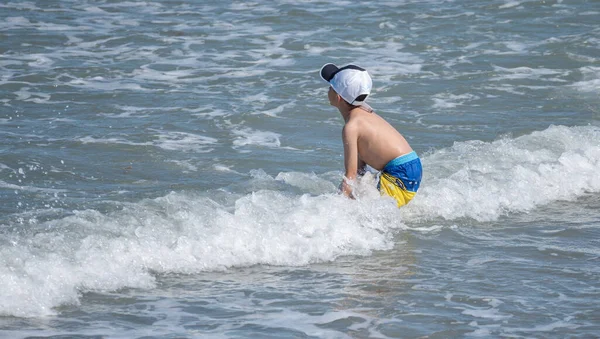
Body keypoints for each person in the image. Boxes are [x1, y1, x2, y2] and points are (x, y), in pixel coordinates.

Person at [320, 63, 422, 207]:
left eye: (330, 87)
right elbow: (360, 170)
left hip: (400, 174)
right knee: (360, 195)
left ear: (338, 97)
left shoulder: (351, 127)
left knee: (362, 209)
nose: (328, 90)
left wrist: (335, 207)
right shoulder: (366, 113)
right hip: (410, 167)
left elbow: (350, 176)